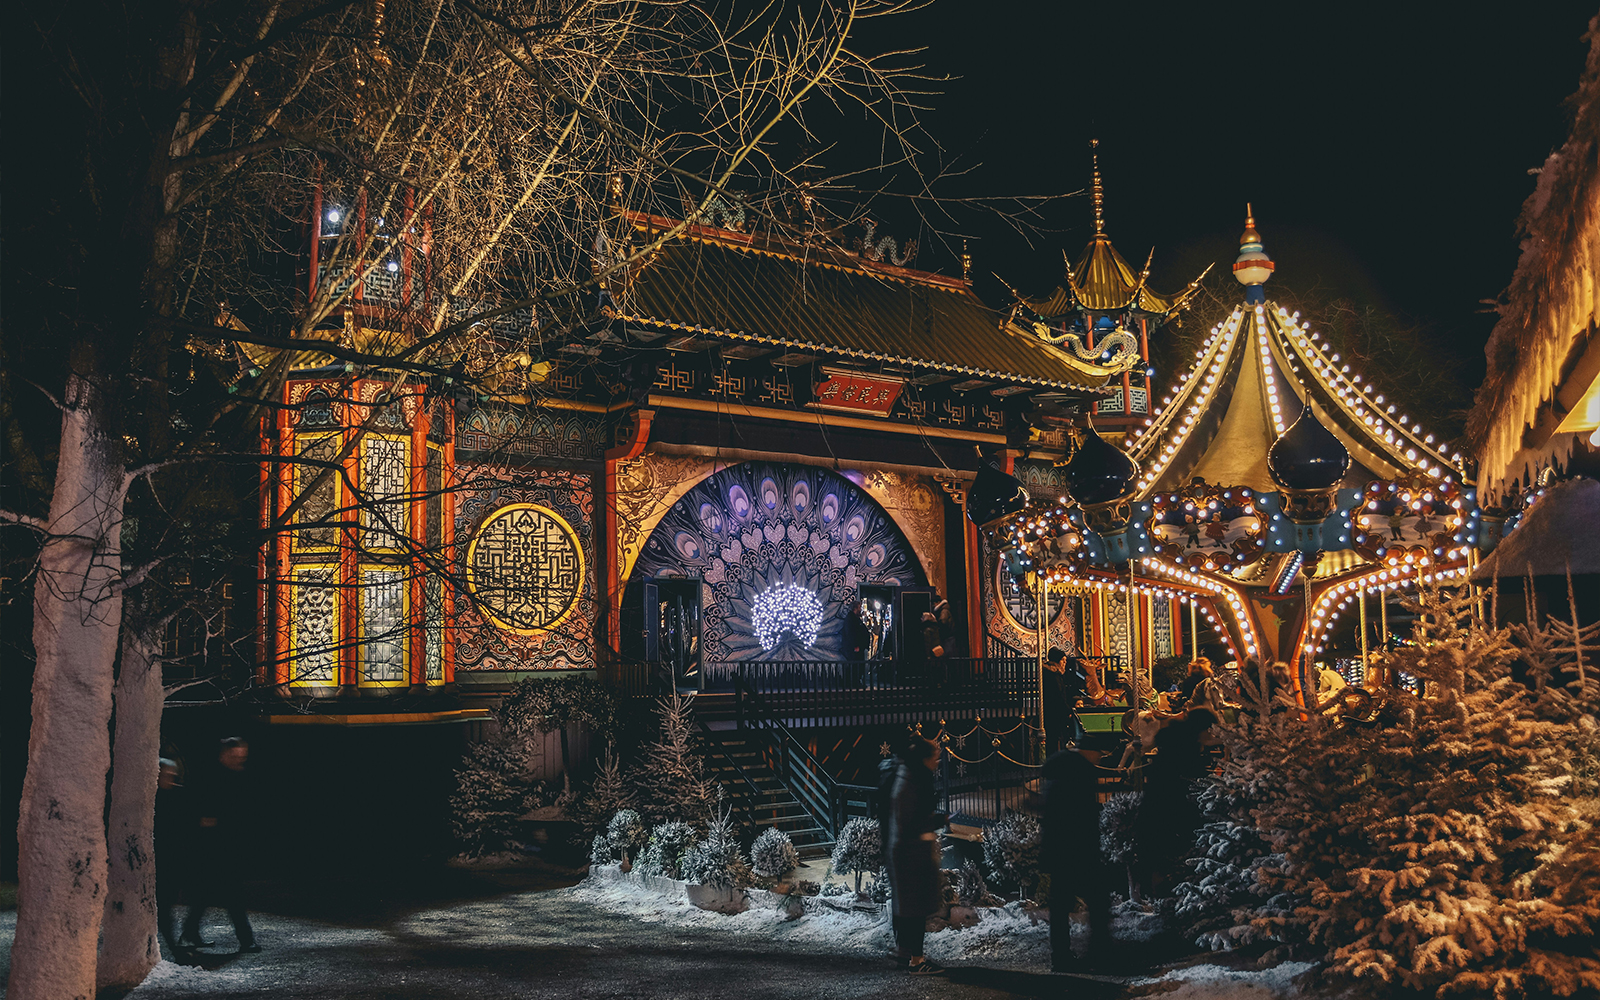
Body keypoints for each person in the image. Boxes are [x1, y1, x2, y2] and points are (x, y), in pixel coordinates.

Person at [181, 737, 259, 953]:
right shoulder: (214, 778)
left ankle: (190, 930)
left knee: (207, 892)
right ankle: (246, 939)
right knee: (233, 894)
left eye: (242, 755)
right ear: (224, 755)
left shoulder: (233, 776)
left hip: (223, 844)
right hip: (218, 846)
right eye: (236, 756)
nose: (240, 759)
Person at [1041, 745, 1115, 971]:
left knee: (1060, 906)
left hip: (1060, 853)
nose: (1099, 756)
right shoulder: (1079, 777)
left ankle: (1061, 955)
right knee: (1098, 901)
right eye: (1099, 752)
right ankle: (1099, 954)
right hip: (1080, 852)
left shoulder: (1057, 779)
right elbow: (1085, 819)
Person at [1136, 707, 1220, 892]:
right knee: (1167, 846)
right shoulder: (1185, 748)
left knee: (1155, 847)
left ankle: (1151, 886)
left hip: (1160, 801)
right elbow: (1189, 776)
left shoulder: (1177, 740)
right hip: (1171, 804)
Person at [886, 737, 946, 976]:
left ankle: (908, 955)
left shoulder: (910, 776)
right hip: (910, 853)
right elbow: (909, 820)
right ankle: (915, 960)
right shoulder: (911, 781)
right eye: (935, 756)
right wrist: (936, 822)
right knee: (914, 908)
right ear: (924, 758)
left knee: (911, 908)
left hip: (908, 851)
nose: (938, 761)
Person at [155, 757, 188, 958]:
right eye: (166, 775)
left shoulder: (177, 796)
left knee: (166, 903)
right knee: (164, 905)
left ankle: (172, 943)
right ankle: (173, 946)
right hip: (160, 859)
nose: (171, 779)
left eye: (172, 775)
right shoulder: (156, 798)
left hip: (171, 858)